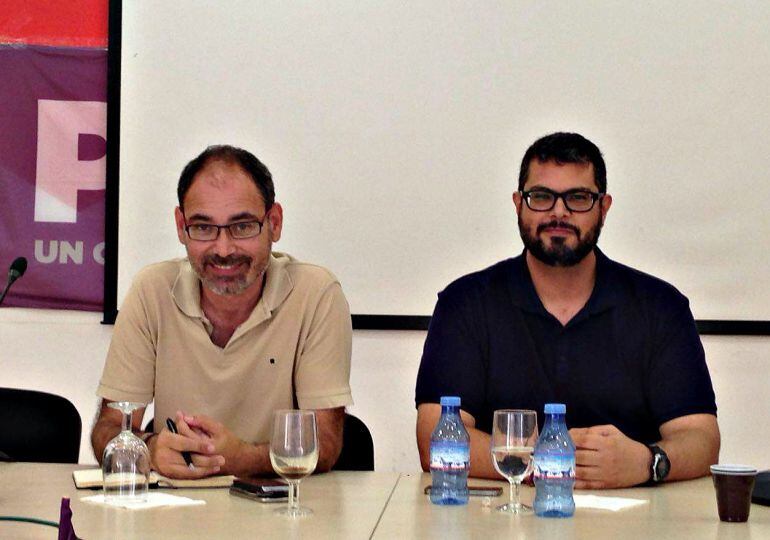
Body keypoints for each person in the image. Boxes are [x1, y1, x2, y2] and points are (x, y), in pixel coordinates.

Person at [415, 132, 719, 489]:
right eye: (541, 197)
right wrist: (549, 459)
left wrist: (647, 461)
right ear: (518, 204)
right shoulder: (465, 303)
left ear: (604, 207)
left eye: (578, 198)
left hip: (632, 519)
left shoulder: (660, 307)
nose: (559, 212)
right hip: (502, 517)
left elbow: (701, 438)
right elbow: (435, 439)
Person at [92, 145, 353, 479]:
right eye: (203, 228)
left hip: (278, 516)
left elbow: (325, 444)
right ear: (180, 226)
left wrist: (241, 458)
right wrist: (150, 449)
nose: (224, 249)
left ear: (274, 223)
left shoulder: (316, 294)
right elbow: (109, 429)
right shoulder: (151, 290)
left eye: (242, 226)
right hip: (171, 514)